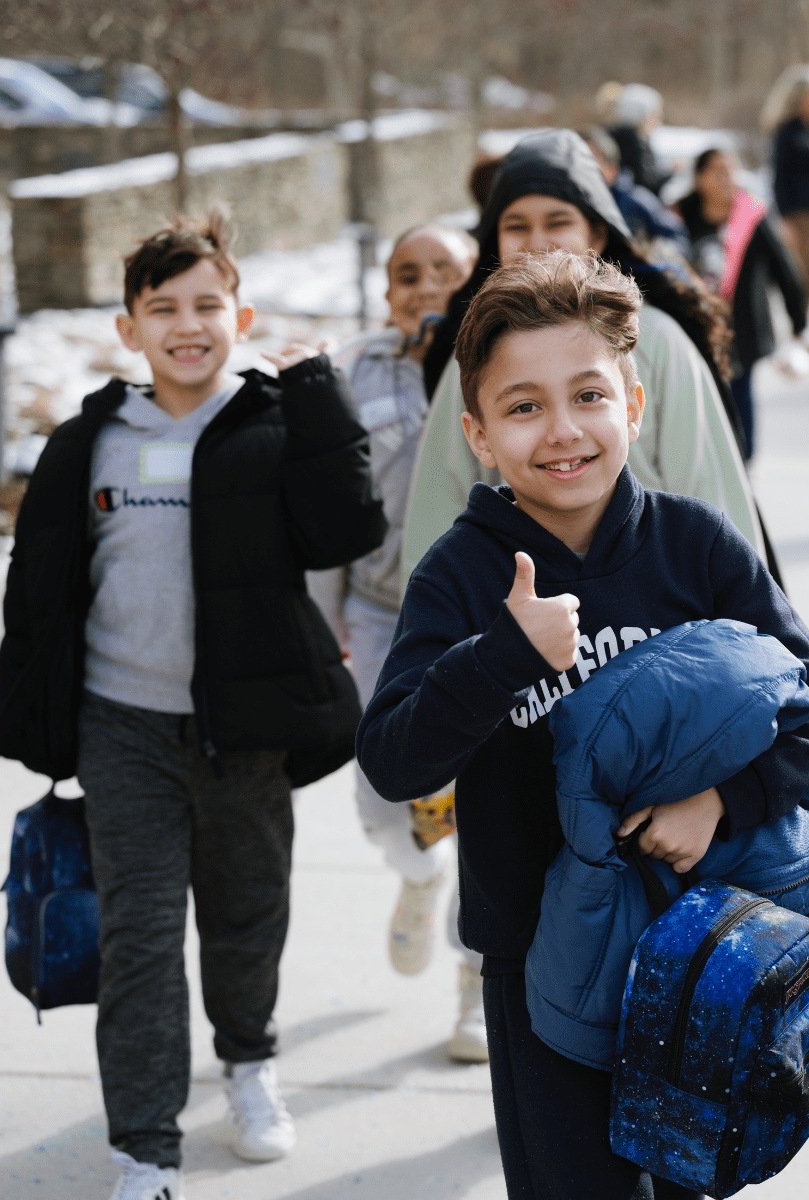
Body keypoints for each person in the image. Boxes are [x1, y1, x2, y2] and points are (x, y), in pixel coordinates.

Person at [356, 250, 809, 1199]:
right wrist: (501, 655)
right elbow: (392, 759)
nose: (563, 430)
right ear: (478, 435)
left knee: (692, 1182)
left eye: (588, 396)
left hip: (704, 951)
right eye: (524, 406)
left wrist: (723, 801)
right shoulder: (462, 574)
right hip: (537, 963)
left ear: (632, 404)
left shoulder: (695, 544)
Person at [0, 212, 386, 1200]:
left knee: (247, 918)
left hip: (245, 732)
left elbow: (346, 529)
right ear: (129, 329)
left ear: (239, 317)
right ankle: (144, 1151)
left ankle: (248, 1063)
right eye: (162, 308)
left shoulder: (275, 425)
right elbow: (38, 588)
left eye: (208, 305)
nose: (187, 325)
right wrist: (40, 718)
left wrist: (318, 393)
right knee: (140, 938)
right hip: (121, 726)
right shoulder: (87, 444)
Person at [403, 128, 773, 589]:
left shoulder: (656, 340)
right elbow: (438, 508)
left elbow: (712, 495)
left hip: (663, 608)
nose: (537, 242)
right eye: (516, 226)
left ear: (596, 232)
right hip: (519, 612)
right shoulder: (476, 351)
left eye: (557, 221)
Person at [305, 223, 490, 1063]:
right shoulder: (356, 370)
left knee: (487, 805)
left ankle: (475, 976)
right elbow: (328, 503)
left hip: (487, 615)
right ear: (386, 293)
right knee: (386, 798)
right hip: (385, 613)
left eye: (444, 271)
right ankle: (417, 876)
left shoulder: (496, 358)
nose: (424, 287)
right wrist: (325, 625)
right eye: (407, 274)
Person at [676, 147, 809, 462]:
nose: (726, 177)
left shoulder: (752, 215)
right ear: (699, 178)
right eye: (717, 170)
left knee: (740, 393)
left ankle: (743, 463)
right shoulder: (679, 216)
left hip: (742, 325)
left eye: (730, 169)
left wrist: (799, 324)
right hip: (694, 325)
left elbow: (785, 270)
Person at [764, 64, 809, 302]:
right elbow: (779, 176)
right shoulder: (786, 131)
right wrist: (784, 218)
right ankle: (799, 319)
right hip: (797, 214)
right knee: (798, 274)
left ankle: (805, 317)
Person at [579, 125, 688, 257]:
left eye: (588, 160)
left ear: (612, 169)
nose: (580, 168)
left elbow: (677, 239)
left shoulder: (635, 200)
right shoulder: (566, 203)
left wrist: (652, 251)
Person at [605, 81, 670, 197]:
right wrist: (672, 173)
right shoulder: (632, 141)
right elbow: (646, 181)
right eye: (654, 114)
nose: (658, 119)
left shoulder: (613, 134)